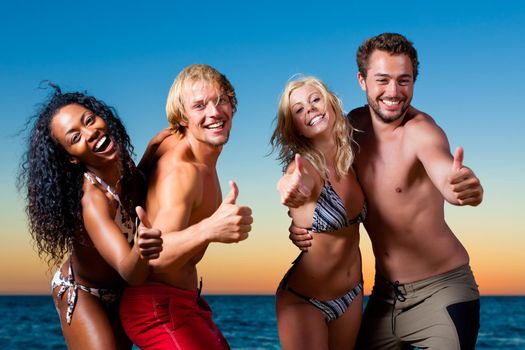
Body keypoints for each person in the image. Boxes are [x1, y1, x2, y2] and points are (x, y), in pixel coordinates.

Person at [281, 33, 484, 349]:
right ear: (362, 81)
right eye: (383, 80)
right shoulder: (349, 129)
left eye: (404, 80)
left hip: (441, 292)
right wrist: (301, 219)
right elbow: (316, 178)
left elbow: (446, 174)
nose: (394, 92)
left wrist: (461, 188)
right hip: (384, 296)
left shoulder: (421, 131)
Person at [18, 85, 165, 349]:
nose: (91, 132)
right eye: (75, 138)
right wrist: (142, 249)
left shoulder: (123, 164)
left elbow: (135, 184)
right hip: (84, 293)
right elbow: (131, 271)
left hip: (120, 291)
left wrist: (153, 150)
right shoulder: (93, 201)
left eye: (89, 120)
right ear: (72, 159)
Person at [119, 64, 253, 350]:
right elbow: (154, 257)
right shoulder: (183, 172)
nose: (214, 112)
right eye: (199, 105)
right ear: (182, 118)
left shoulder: (173, 141)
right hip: (156, 310)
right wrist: (210, 228)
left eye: (221, 100)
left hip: (184, 303)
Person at [271, 76, 366, 350]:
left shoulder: (351, 156)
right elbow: (293, 183)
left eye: (315, 100)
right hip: (304, 300)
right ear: (296, 128)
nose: (309, 109)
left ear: (331, 103)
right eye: (299, 110)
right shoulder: (305, 168)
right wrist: (289, 187)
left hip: (352, 293)